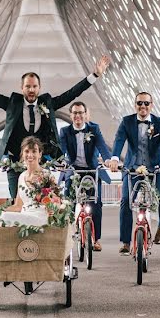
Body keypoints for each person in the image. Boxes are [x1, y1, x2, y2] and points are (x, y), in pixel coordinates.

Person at [0, 48, 111, 199]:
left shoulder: (47, 103)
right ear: (22, 88)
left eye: (34, 86)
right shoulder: (13, 103)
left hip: (41, 163)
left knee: (41, 200)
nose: (31, 90)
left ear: (39, 88)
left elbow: (72, 93)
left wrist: (95, 75)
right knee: (17, 200)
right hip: (15, 162)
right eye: (28, 86)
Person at [105, 92, 160, 253]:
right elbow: (119, 140)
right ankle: (125, 242)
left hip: (156, 168)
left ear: (152, 105)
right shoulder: (127, 121)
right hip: (133, 168)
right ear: (135, 104)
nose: (143, 106)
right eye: (139, 103)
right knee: (125, 201)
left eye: (146, 103)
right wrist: (114, 158)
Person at [58, 101, 110, 251]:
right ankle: (66, 235)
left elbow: (102, 146)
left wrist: (107, 159)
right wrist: (61, 161)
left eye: (81, 112)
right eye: (75, 113)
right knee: (68, 200)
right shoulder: (65, 131)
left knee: (96, 203)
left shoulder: (94, 129)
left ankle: (96, 239)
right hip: (73, 170)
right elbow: (62, 150)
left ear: (85, 114)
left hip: (92, 170)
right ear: (70, 115)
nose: (78, 116)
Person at [0, 137, 53, 226]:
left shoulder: (46, 175)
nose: (30, 155)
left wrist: (52, 209)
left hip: (40, 218)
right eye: (27, 151)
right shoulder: (21, 176)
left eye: (34, 151)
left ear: (40, 154)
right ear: (22, 154)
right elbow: (18, 206)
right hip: (24, 216)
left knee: (5, 217)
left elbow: (55, 202)